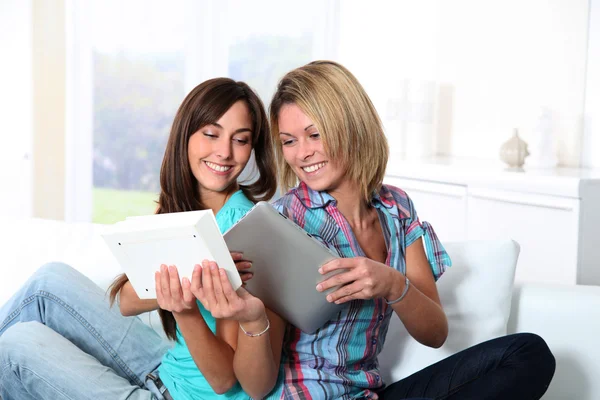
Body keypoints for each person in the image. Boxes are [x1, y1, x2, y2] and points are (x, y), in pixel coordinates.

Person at [195, 61, 556, 400]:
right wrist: (253, 318)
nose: (302, 153)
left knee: (527, 354)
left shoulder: (395, 209)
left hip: (368, 394)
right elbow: (257, 389)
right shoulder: (281, 222)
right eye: (289, 141)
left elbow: (435, 334)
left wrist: (392, 284)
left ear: (351, 126)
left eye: (314, 134)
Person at [0, 77, 279, 400]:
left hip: (182, 395)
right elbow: (129, 300)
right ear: (185, 136)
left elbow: (225, 382)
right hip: (165, 365)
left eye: (240, 140)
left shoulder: (240, 227)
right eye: (211, 134)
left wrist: (184, 306)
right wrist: (193, 278)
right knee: (48, 282)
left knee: (15, 346)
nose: (225, 152)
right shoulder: (182, 207)